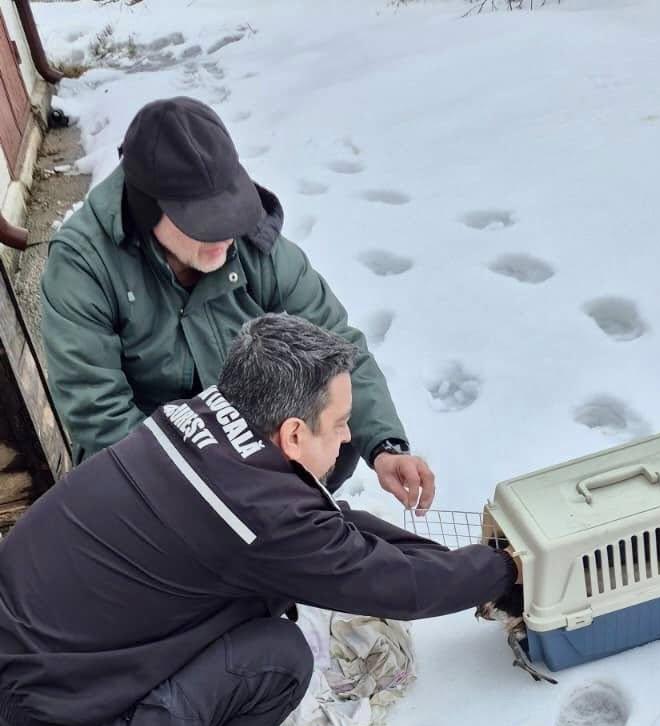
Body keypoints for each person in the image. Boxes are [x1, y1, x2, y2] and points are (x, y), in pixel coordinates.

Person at [0, 314, 520, 726]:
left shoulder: (199, 420)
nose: (350, 436)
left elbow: (335, 529)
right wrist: (507, 570)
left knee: (249, 598)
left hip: (30, 674)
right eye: (340, 423)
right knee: (276, 658)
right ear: (293, 434)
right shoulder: (260, 516)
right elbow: (399, 586)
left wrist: (454, 560)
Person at [40, 95, 434, 514]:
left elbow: (336, 344)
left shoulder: (252, 244)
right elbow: (99, 415)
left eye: (227, 211)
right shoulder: (83, 265)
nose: (224, 232)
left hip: (245, 439)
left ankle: (291, 519)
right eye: (203, 220)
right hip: (149, 465)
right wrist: (214, 498)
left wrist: (385, 445)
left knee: (332, 417)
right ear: (148, 208)